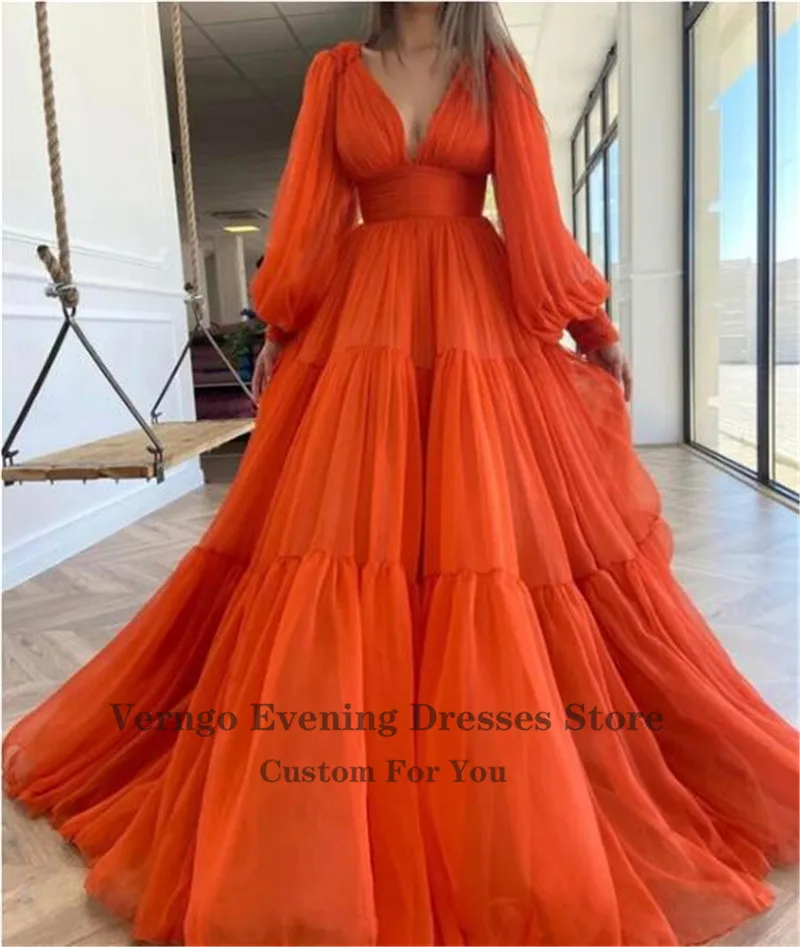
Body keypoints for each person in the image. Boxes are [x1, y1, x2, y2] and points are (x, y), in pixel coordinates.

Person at [4, 4, 797, 946]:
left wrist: (594, 327)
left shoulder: (495, 68)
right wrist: (283, 326)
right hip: (362, 321)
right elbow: (310, 211)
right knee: (347, 538)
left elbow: (533, 212)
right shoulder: (335, 72)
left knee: (484, 537)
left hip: (474, 316)